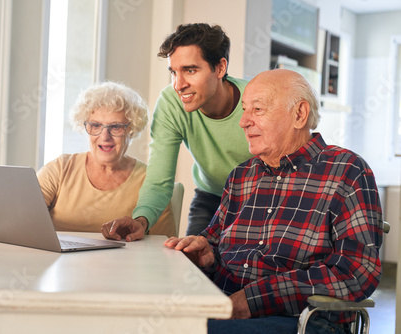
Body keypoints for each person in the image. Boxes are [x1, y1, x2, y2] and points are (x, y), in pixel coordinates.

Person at [164, 69, 383, 334]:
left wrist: (255, 298)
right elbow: (213, 245)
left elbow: (359, 271)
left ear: (299, 115)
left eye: (257, 110)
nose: (243, 121)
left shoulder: (347, 171)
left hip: (301, 320)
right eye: (244, 110)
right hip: (225, 308)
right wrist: (207, 257)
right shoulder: (241, 176)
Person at [101, 23, 253, 242]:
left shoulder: (255, 100)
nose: (178, 85)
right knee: (193, 265)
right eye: (174, 72)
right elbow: (160, 179)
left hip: (260, 199)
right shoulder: (171, 103)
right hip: (211, 198)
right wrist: (141, 220)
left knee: (248, 269)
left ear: (220, 68)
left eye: (190, 70)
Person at [37, 81, 175, 237]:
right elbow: (25, 216)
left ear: (131, 130)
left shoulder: (151, 181)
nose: (104, 136)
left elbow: (164, 246)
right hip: (58, 260)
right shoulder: (60, 169)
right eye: (95, 125)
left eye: (115, 127)